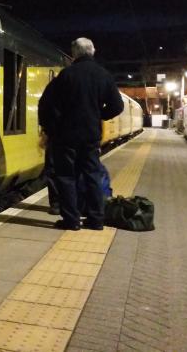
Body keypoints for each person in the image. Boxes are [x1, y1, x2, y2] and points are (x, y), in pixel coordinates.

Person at [38, 37, 123, 230]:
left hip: (65, 136)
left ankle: (72, 220)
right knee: (92, 174)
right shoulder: (103, 75)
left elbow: (46, 104)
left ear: (75, 53)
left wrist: (49, 129)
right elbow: (117, 106)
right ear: (93, 51)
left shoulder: (66, 75)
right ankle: (96, 220)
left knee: (67, 176)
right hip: (91, 135)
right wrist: (97, 115)